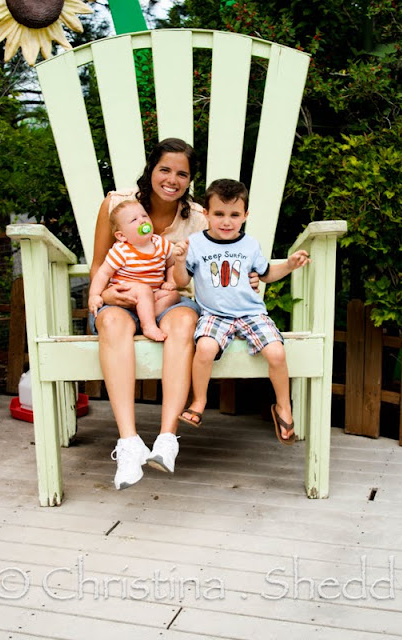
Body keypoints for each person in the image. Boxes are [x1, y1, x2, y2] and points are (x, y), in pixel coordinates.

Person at [90, 138, 260, 488]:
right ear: (151, 169)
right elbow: (99, 264)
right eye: (164, 169)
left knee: (184, 321)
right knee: (110, 321)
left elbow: (227, 257)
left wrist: (249, 276)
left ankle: (167, 439)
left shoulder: (197, 218)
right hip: (120, 298)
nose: (172, 179)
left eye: (182, 174)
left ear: (190, 179)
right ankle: (129, 443)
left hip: (171, 301)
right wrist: (105, 294)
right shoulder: (117, 204)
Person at [173, 178, 311, 445]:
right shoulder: (196, 244)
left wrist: (289, 265)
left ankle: (283, 406)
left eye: (234, 215)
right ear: (206, 214)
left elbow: (267, 274)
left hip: (251, 313)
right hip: (214, 314)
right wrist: (179, 261)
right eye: (219, 214)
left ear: (245, 215)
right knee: (205, 348)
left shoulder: (250, 245)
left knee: (276, 352)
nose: (227, 222)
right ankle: (199, 401)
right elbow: (181, 281)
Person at [88, 200, 180, 342]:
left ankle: (144, 315)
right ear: (122, 236)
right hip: (127, 294)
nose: (142, 221)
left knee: (173, 295)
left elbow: (171, 264)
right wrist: (94, 295)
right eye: (134, 220)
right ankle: (148, 325)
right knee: (143, 290)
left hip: (152, 295)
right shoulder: (121, 251)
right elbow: (103, 273)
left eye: (144, 216)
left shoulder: (161, 243)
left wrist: (171, 281)